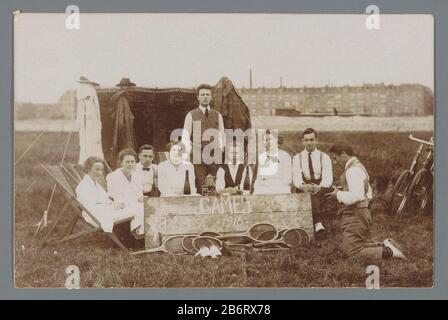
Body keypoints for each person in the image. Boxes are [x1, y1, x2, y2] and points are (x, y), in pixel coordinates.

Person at [327, 144, 406, 261]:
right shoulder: (358, 166)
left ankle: (388, 251)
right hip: (360, 212)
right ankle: (385, 245)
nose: (335, 162)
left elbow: (357, 195)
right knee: (352, 247)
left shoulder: (352, 170)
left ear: (343, 154)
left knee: (352, 253)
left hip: (355, 214)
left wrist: (337, 194)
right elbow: (367, 193)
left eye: (335, 158)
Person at [181, 84, 225, 194]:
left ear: (211, 97)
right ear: (198, 97)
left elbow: (222, 135)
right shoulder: (191, 115)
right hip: (197, 156)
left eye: (207, 94)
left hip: (214, 156)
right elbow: (185, 137)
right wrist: (189, 152)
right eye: (203, 94)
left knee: (213, 185)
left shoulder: (217, 115)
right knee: (201, 185)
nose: (205, 97)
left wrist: (220, 150)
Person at [75, 156, 136, 234]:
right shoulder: (83, 187)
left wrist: (114, 205)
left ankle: (133, 235)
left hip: (105, 210)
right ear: (88, 169)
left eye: (101, 170)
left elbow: (105, 199)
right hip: (97, 215)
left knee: (132, 207)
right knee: (134, 211)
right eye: (97, 169)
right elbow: (91, 208)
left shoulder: (95, 184)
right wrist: (113, 207)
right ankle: (134, 235)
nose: (100, 173)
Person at [292, 128, 333, 237]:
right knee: (308, 194)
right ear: (302, 141)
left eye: (311, 140)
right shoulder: (297, 158)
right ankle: (318, 224)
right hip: (305, 186)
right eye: (306, 140)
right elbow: (296, 176)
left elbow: (328, 177)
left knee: (312, 195)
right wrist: (302, 186)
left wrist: (319, 187)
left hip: (321, 185)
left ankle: (316, 223)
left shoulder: (324, 157)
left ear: (316, 140)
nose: (309, 143)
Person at [106, 148, 144, 236]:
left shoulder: (137, 176)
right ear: (121, 162)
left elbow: (139, 194)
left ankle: (145, 234)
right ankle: (138, 234)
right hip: (120, 207)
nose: (130, 164)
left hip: (134, 204)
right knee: (141, 210)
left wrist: (141, 199)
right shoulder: (112, 177)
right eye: (127, 162)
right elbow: (116, 197)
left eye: (132, 161)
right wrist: (135, 201)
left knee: (149, 207)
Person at [76, 76, 104, 164]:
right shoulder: (82, 101)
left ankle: (94, 160)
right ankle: (85, 161)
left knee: (93, 142)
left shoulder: (91, 95)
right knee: (85, 143)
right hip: (85, 125)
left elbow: (97, 113)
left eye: (84, 84)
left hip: (92, 123)